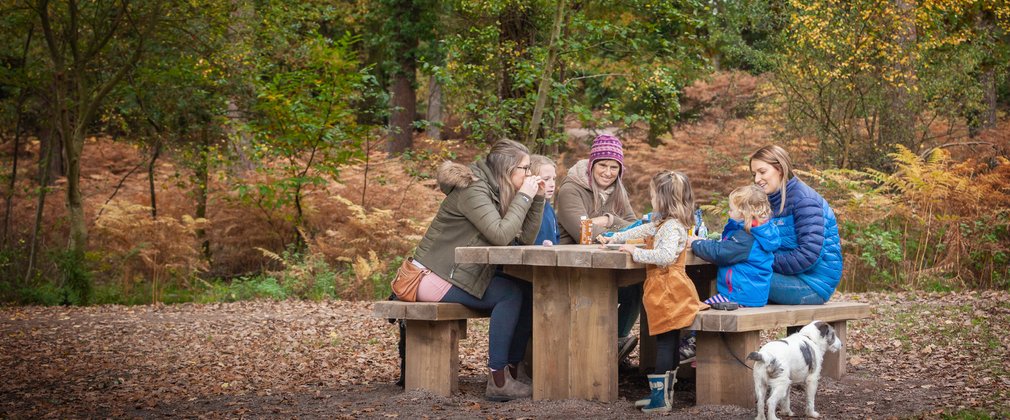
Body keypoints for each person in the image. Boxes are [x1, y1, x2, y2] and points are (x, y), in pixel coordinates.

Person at [411, 139, 546, 401]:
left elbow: (524, 239)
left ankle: (513, 370)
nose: (529, 174)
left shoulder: (496, 190)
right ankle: (498, 380)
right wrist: (525, 195)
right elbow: (500, 235)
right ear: (507, 170)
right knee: (509, 294)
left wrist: (536, 199)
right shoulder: (473, 190)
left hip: (458, 272)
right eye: (525, 169)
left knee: (527, 289)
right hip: (432, 275)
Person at [598, 170, 708, 413]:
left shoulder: (671, 227)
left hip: (667, 289)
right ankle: (663, 396)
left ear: (664, 198)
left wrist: (633, 252)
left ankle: (660, 399)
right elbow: (642, 230)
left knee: (666, 343)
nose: (651, 199)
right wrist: (615, 237)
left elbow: (666, 256)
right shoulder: (664, 223)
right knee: (666, 341)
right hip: (664, 288)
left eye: (653, 195)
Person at [554, 134, 641, 364]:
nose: (608, 172)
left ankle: (615, 343)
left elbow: (637, 227)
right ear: (592, 164)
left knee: (638, 286)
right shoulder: (571, 190)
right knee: (603, 292)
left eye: (614, 167)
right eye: (603, 165)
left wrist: (608, 219)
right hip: (571, 269)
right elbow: (582, 232)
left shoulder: (618, 191)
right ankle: (598, 352)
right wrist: (615, 232)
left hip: (607, 268)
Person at [749, 145, 843, 305]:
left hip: (813, 284)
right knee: (725, 273)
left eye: (762, 172)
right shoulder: (771, 200)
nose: (757, 179)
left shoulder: (805, 201)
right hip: (789, 276)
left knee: (738, 276)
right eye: (754, 174)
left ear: (779, 168)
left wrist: (762, 260)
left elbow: (808, 255)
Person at [690, 185, 781, 308]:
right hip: (751, 295)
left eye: (731, 209)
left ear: (743, 213)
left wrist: (694, 243)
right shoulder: (758, 232)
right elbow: (728, 246)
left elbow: (720, 252)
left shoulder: (746, 237)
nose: (728, 212)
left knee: (697, 310)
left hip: (738, 296)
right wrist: (705, 241)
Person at [530, 155, 559, 245]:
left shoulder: (549, 208)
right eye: (546, 179)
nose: (552, 184)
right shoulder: (524, 209)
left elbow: (556, 237)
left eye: (553, 179)